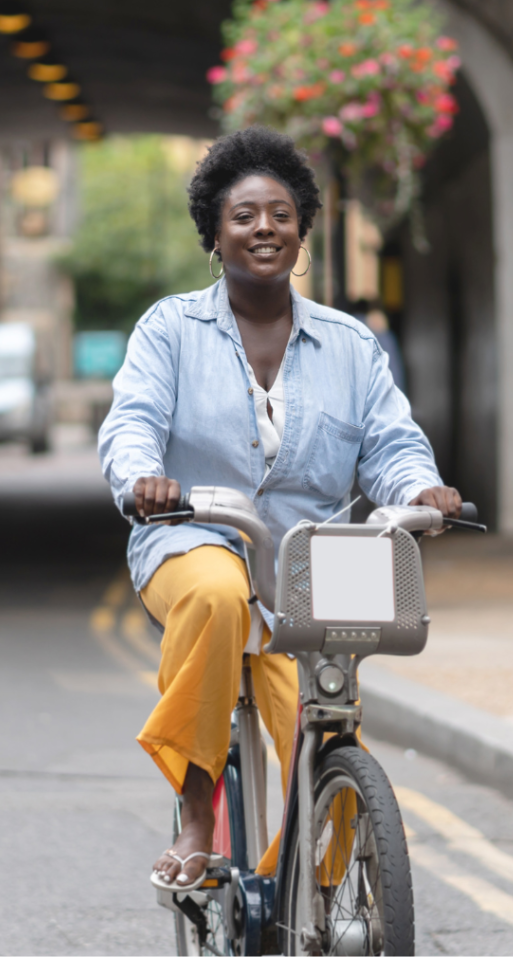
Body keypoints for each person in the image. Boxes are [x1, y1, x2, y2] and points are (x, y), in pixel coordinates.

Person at [97, 126, 460, 893]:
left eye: (281, 215)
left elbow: (391, 441)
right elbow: (130, 424)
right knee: (216, 592)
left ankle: (281, 895)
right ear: (215, 233)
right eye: (244, 216)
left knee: (324, 731)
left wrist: (418, 489)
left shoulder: (351, 344)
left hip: (309, 562)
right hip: (194, 538)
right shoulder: (170, 329)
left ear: (302, 230)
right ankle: (198, 816)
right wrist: (141, 479)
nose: (264, 228)